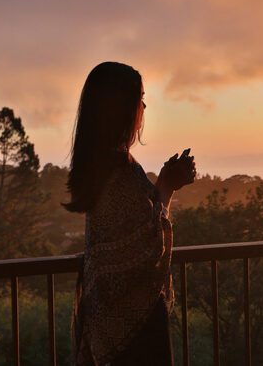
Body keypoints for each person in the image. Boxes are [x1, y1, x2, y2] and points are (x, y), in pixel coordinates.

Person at [65, 62, 195, 365]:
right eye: (140, 98)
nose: (144, 106)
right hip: (135, 326)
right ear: (121, 107)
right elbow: (148, 247)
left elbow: (141, 229)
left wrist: (164, 186)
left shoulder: (101, 166)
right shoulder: (119, 172)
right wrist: (166, 187)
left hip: (108, 322)